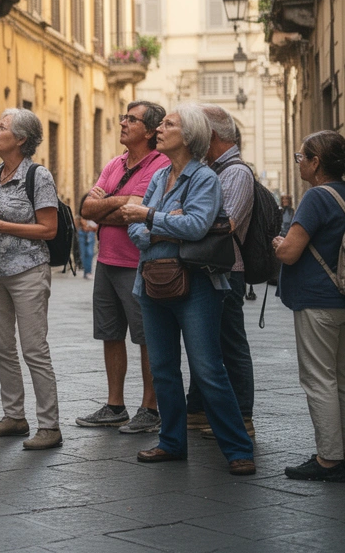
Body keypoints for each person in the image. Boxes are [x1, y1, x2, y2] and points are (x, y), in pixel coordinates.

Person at [120, 103, 255, 476]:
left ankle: (238, 448)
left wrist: (149, 217)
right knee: (163, 368)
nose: (158, 129)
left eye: (168, 124)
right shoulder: (159, 176)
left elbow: (195, 226)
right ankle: (171, 442)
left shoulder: (205, 179)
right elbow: (133, 231)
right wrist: (162, 224)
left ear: (189, 135)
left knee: (208, 368)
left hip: (197, 285)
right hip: (151, 281)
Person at [273, 130, 345, 482]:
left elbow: (290, 251)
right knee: (343, 377)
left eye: (302, 157)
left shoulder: (315, 197)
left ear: (316, 163)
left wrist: (278, 242)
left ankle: (328, 459)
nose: (299, 162)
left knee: (319, 379)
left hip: (319, 301)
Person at [0, 109, 63, 451]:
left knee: (34, 349)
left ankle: (49, 426)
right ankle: (14, 416)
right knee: (1, 347)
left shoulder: (38, 177)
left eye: (2, 128)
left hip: (27, 270)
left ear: (21, 139)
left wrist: (1, 226)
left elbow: (49, 229)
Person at [76, 101, 169, 434]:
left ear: (150, 130)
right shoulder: (114, 163)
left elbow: (141, 210)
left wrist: (106, 206)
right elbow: (87, 207)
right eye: (124, 118)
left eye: (132, 119)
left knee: (147, 337)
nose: (123, 123)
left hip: (139, 263)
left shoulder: (161, 165)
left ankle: (151, 407)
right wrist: (120, 201)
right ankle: (115, 405)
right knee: (110, 334)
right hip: (107, 260)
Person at [187, 105, 256, 440]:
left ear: (209, 135)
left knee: (231, 344)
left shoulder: (237, 173)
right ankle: (198, 411)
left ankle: (243, 417)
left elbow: (223, 224)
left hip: (229, 271)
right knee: (206, 344)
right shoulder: (211, 170)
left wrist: (184, 214)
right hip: (210, 269)